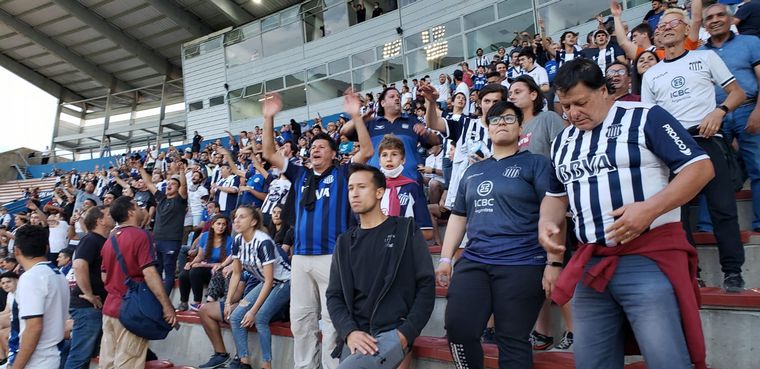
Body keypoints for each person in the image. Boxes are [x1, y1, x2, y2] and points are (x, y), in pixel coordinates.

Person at [540, 58, 713, 369]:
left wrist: (649, 209)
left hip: (646, 258)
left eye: (581, 102)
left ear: (605, 90)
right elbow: (555, 196)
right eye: (565, 106)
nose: (573, 113)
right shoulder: (562, 141)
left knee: (667, 360)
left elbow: (700, 168)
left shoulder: (646, 116)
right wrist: (546, 225)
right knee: (592, 362)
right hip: (591, 265)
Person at [260, 90, 373, 369]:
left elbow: (368, 151)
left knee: (333, 319)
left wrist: (356, 116)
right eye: (313, 147)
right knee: (301, 318)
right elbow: (268, 153)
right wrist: (268, 117)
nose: (316, 149)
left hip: (332, 256)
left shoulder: (343, 173)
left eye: (323, 146)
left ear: (334, 154)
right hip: (300, 257)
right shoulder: (300, 174)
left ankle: (333, 366)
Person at [435, 101, 552, 368]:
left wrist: (552, 261)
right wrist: (445, 258)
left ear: (521, 128)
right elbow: (459, 216)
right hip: (475, 261)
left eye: (509, 119)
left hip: (522, 263)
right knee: (458, 330)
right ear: (487, 129)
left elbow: (553, 211)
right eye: (495, 119)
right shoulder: (473, 170)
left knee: (512, 339)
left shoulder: (536, 164)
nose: (501, 123)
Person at [641, 7, 748, 292]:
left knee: (723, 209)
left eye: (673, 23)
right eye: (660, 26)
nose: (665, 28)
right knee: (678, 216)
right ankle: (692, 272)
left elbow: (739, 92)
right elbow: (649, 118)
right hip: (673, 148)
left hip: (706, 137)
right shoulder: (652, 75)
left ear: (687, 28)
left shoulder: (706, 57)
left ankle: (733, 272)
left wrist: (720, 111)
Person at [326, 164, 435, 369]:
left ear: (379, 192)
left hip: (392, 332)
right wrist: (349, 332)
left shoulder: (406, 230)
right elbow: (334, 295)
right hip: (357, 336)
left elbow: (426, 286)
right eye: (350, 188)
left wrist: (405, 334)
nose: (354, 194)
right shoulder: (345, 241)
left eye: (361, 187)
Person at [700, 2, 760, 233]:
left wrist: (758, 110)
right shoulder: (700, 54)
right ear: (705, 24)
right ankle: (706, 226)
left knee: (757, 167)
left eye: (719, 15)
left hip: (747, 110)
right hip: (714, 115)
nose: (714, 20)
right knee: (710, 171)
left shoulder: (751, 42)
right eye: (709, 18)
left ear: (730, 19)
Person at [99, 196, 176, 369]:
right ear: (131, 212)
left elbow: (104, 276)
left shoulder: (110, 239)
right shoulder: (142, 236)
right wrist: (167, 306)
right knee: (128, 364)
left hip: (109, 308)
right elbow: (149, 273)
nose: (142, 209)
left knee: (108, 363)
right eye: (138, 206)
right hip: (131, 310)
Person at [420, 83, 508, 210]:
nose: (491, 105)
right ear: (479, 103)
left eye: (496, 101)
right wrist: (431, 102)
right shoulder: (464, 124)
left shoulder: (509, 129)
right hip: (464, 196)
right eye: (486, 101)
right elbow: (433, 123)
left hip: (497, 194)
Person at [224, 205, 291, 369]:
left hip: (285, 282)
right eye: (236, 217)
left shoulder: (264, 241)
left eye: (242, 217)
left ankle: (266, 364)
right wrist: (227, 302)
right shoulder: (238, 240)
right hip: (266, 282)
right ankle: (244, 362)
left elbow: (269, 280)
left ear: (253, 221)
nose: (236, 220)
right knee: (235, 317)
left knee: (260, 318)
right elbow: (237, 274)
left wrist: (252, 311)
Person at [341, 87, 439, 182]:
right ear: (382, 103)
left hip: (410, 181)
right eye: (392, 96)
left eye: (398, 97)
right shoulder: (371, 122)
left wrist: (426, 132)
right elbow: (344, 131)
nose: (397, 98)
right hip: (378, 183)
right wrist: (360, 118)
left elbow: (436, 141)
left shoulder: (412, 121)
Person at [11, 225, 69, 369]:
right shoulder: (58, 274)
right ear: (47, 248)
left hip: (38, 361)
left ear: (16, 251)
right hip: (52, 356)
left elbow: (34, 327)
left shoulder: (32, 278)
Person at [64, 206, 113, 369]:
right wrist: (89, 294)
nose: (112, 215)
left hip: (94, 308)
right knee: (79, 358)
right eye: (108, 214)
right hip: (88, 308)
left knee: (83, 357)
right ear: (100, 220)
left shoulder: (101, 240)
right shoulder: (91, 239)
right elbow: (78, 265)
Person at [138, 159, 188, 294]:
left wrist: (181, 171)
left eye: (173, 184)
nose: (169, 186)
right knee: (157, 271)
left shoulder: (180, 200)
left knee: (169, 270)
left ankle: (164, 301)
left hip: (171, 240)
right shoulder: (161, 198)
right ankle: (157, 299)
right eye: (168, 184)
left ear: (178, 189)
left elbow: (184, 186)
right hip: (157, 240)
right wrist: (141, 168)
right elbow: (148, 183)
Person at [376, 135, 434, 240]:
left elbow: (427, 231)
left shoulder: (413, 187)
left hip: (405, 249)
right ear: (379, 161)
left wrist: (401, 237)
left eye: (394, 154)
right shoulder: (375, 189)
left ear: (403, 160)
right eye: (384, 155)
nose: (389, 159)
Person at [178, 214, 232, 311]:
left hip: (218, 271)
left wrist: (204, 265)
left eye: (223, 224)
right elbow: (200, 256)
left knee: (196, 271)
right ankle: (183, 302)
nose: (221, 227)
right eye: (218, 224)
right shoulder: (205, 236)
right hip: (205, 266)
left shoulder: (229, 240)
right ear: (212, 225)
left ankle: (197, 302)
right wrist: (191, 264)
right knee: (183, 274)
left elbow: (224, 263)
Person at [0, 271, 19, 367]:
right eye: (3, 283)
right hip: (12, 318)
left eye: (8, 282)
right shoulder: (10, 294)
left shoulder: (21, 293)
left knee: (3, 333)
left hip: (19, 322)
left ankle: (8, 360)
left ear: (16, 280)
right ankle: (3, 358)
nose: (5, 285)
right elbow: (6, 311)